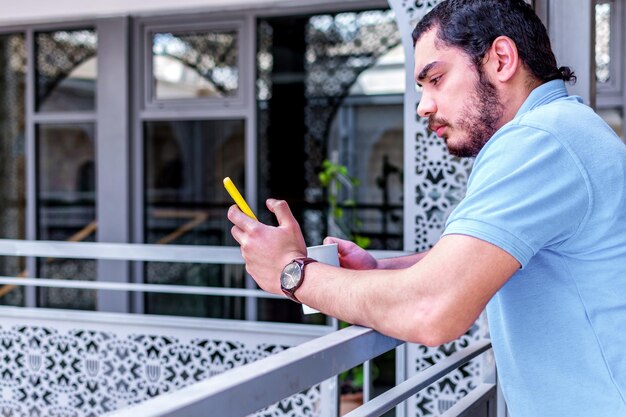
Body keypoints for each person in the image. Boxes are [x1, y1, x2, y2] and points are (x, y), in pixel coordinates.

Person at [228, 0, 626, 415]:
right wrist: (384, 271)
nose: (424, 106)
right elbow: (486, 257)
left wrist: (291, 273)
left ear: (501, 59)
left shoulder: (538, 141)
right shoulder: (567, 129)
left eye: (435, 79)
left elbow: (431, 311)